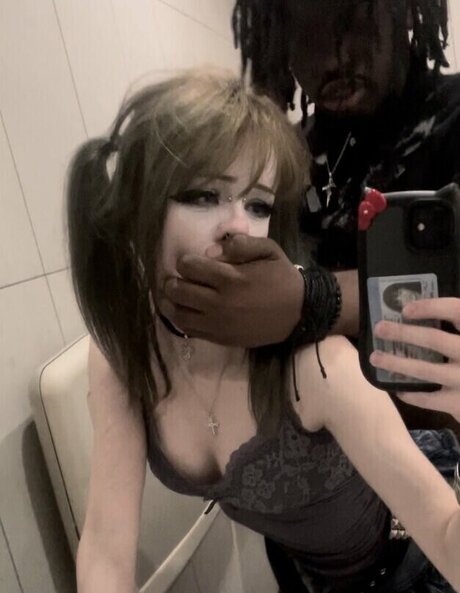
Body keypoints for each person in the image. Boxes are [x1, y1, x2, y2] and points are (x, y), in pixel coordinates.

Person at [66, 68, 460, 593]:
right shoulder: (126, 356)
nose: (236, 228)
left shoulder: (315, 367)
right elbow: (106, 545)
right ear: (137, 205)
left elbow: (441, 523)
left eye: (257, 204)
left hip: (423, 573)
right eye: (203, 195)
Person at [156, 0, 460, 425]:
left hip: (436, 426)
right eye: (305, 39)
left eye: (351, 26)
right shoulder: (288, 149)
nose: (333, 60)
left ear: (406, 11)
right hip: (313, 430)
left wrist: (312, 301)